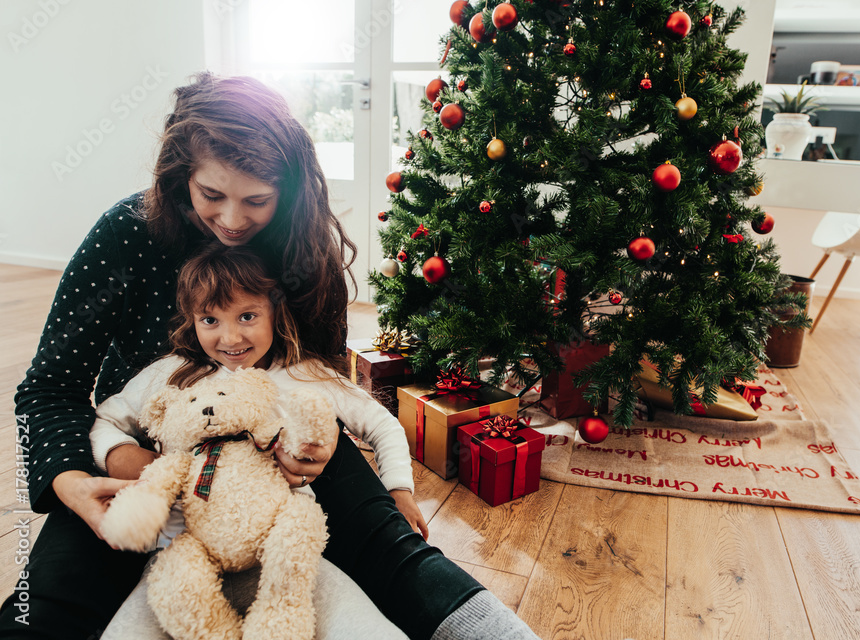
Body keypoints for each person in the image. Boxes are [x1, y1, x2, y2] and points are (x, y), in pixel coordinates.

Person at [3, 72, 539, 640]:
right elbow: (48, 390)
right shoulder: (126, 234)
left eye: (256, 200)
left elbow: (321, 379)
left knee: (392, 550)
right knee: (51, 600)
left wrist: (321, 443)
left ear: (288, 191)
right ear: (180, 173)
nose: (232, 221)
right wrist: (74, 482)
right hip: (144, 454)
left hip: (273, 442)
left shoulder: (300, 244)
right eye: (212, 195)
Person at [92, 242, 419, 639]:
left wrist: (400, 490)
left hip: (285, 558)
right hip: (184, 554)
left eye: (247, 316)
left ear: (275, 312)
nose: (230, 337)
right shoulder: (172, 373)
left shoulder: (304, 373)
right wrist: (123, 457)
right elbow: (106, 418)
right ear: (191, 321)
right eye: (209, 320)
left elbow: (382, 424)